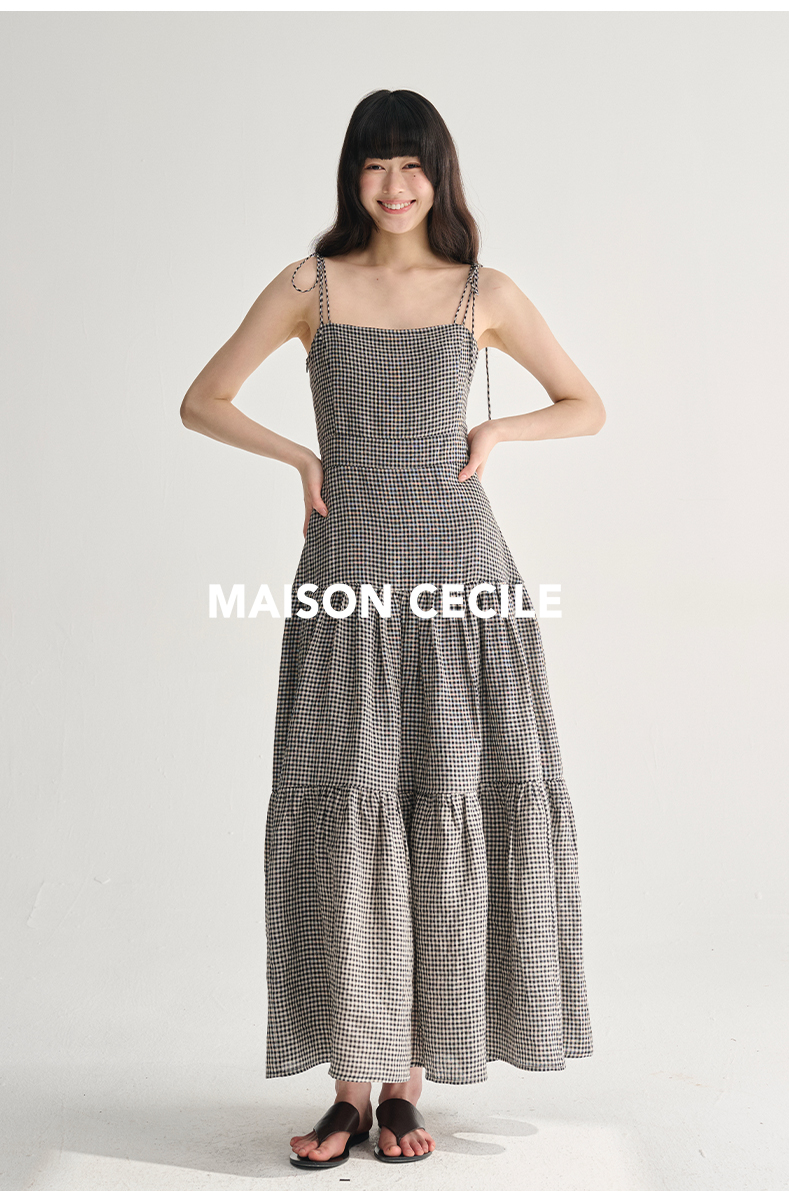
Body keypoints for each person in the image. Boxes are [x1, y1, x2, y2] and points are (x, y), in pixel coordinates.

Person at [180, 88, 605, 1171]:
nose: (394, 185)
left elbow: (586, 404)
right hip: (349, 577)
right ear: (353, 176)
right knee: (348, 809)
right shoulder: (309, 285)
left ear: (438, 174)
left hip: (464, 583)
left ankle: (407, 1091)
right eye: (375, 164)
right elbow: (204, 399)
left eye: (412, 164)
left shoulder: (482, 290)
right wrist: (301, 458)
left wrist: (498, 430)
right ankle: (347, 1092)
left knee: (439, 804)